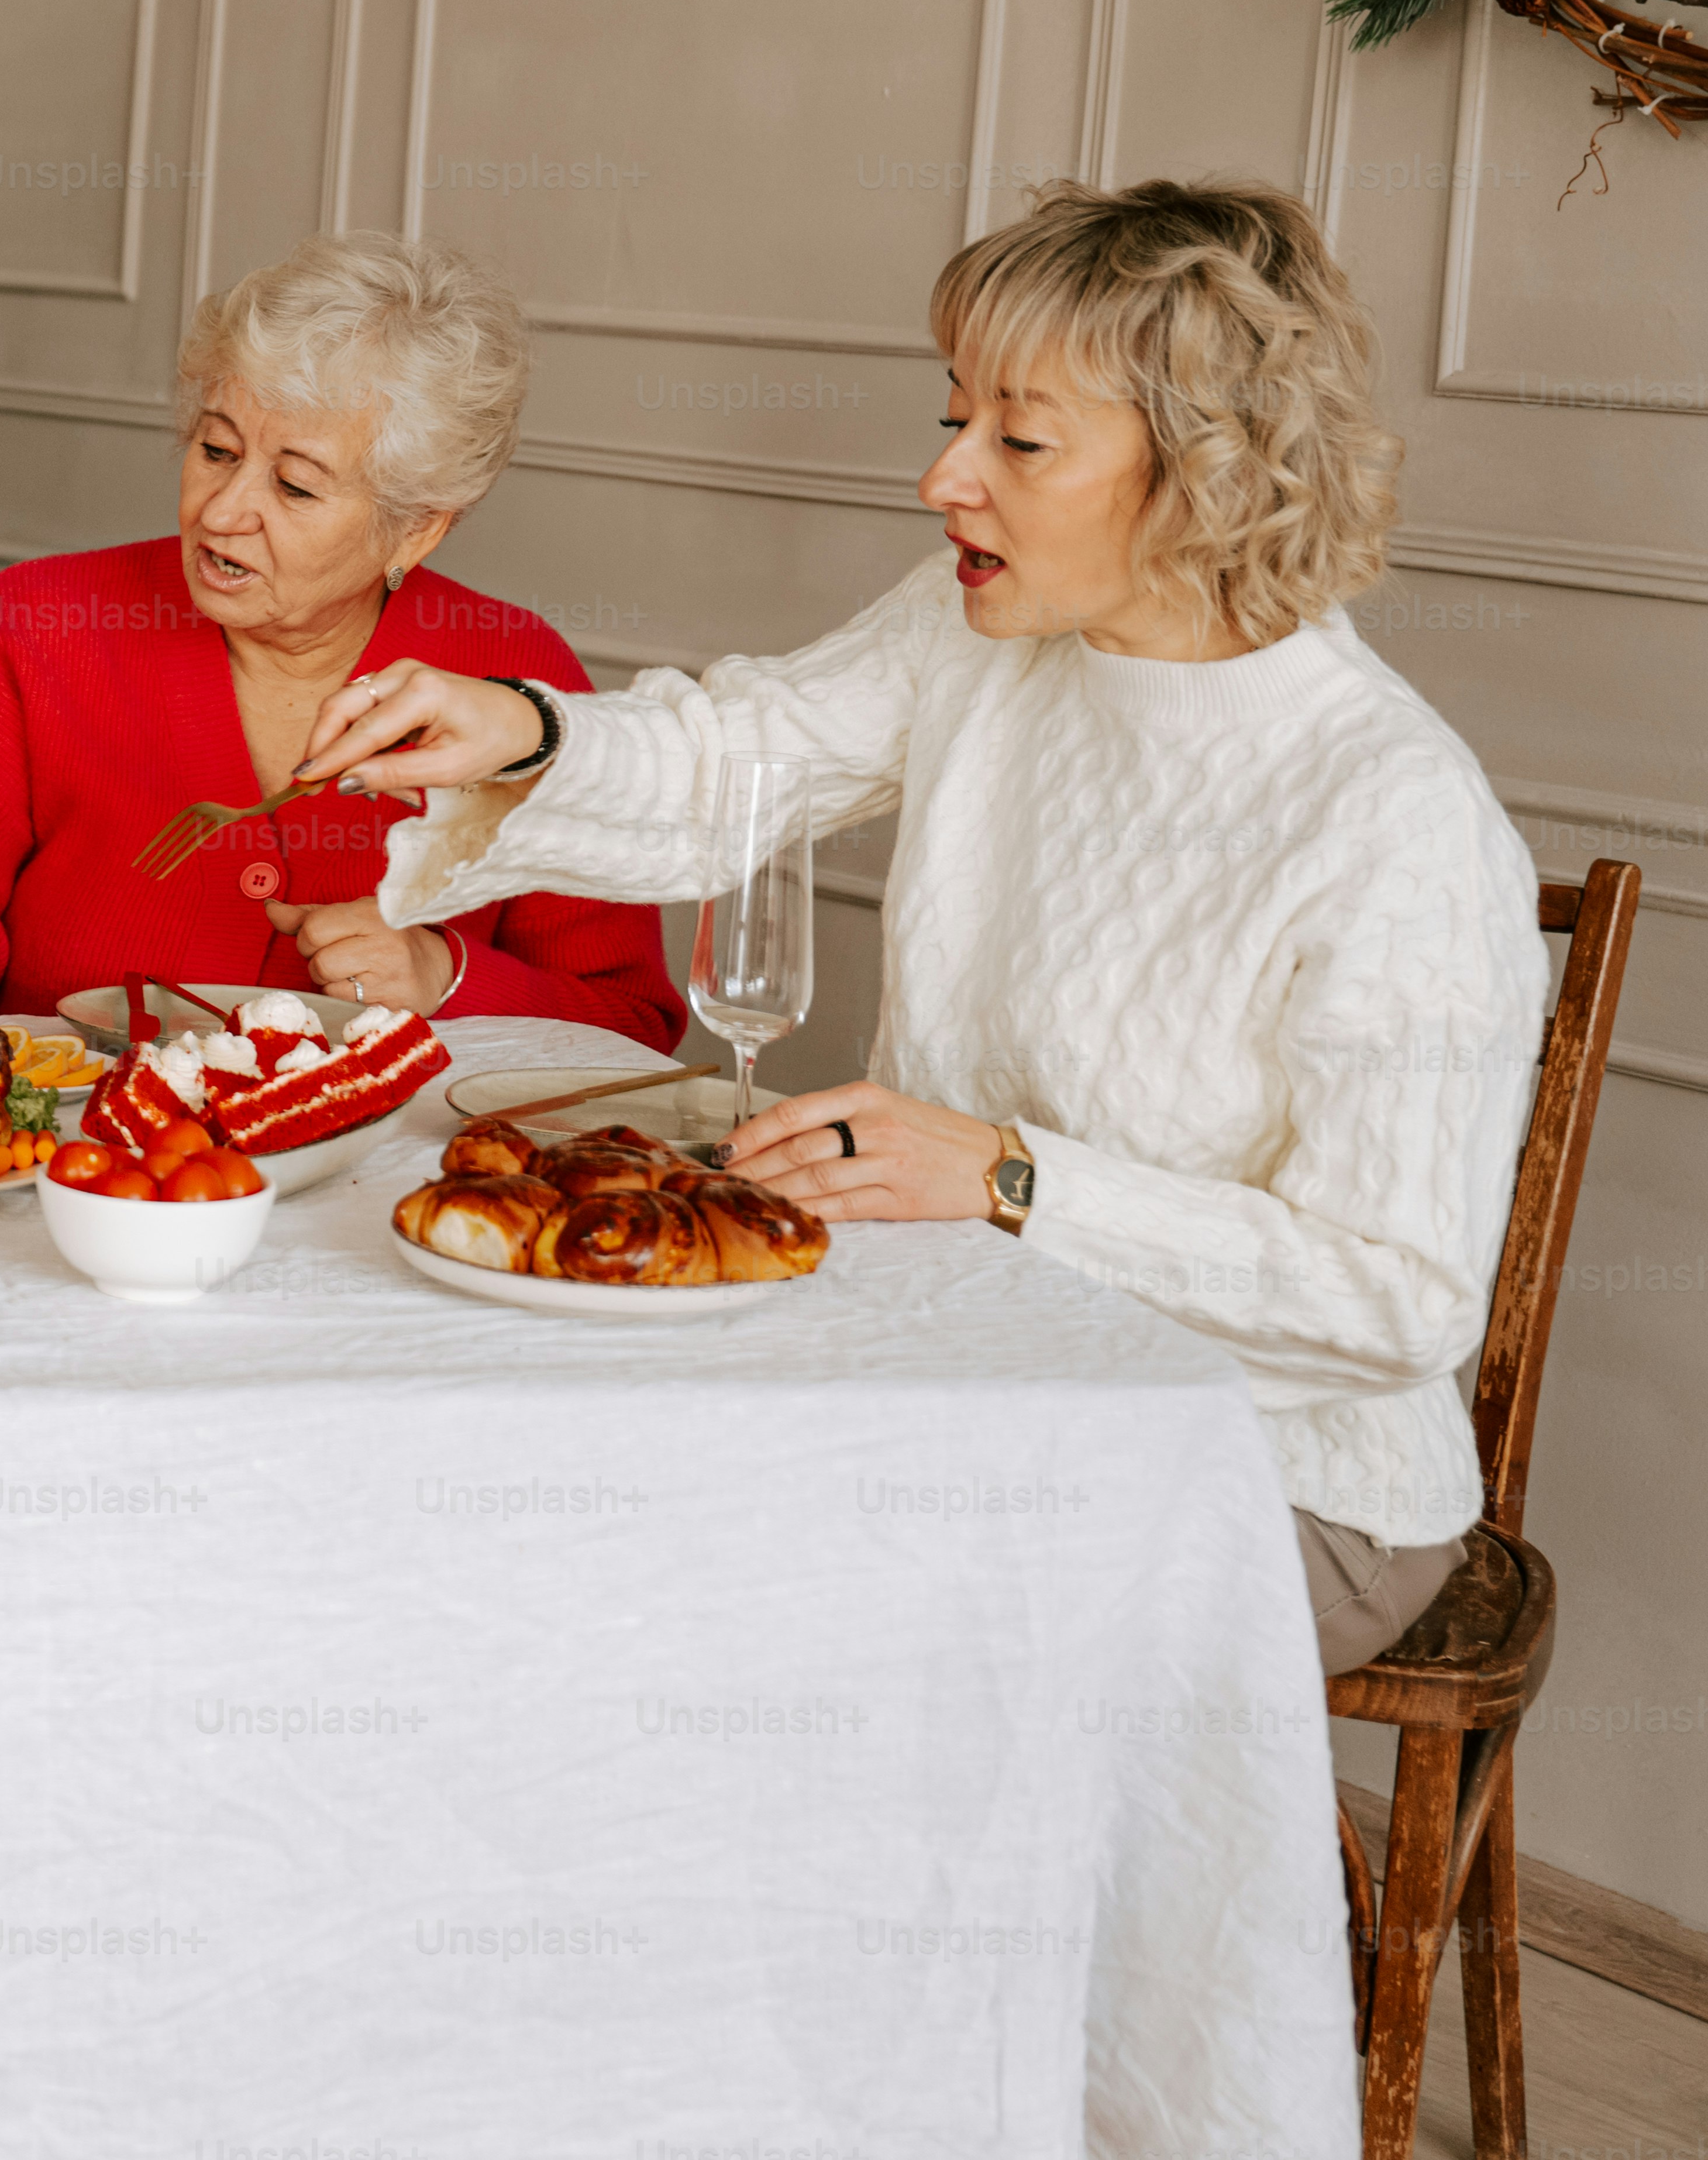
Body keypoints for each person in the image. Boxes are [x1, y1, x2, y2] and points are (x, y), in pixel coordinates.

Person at [302, 179, 1540, 1676]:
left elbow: (1390, 1295)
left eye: (1017, 440)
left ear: (1208, 472)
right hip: (965, 1350)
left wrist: (1010, 1180)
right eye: (954, 419)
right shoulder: (981, 631)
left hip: (1272, 1474)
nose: (945, 480)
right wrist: (513, 729)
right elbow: (740, 755)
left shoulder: (1391, 811)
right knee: (549, 1466)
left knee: (751, 1594)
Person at [0, 232, 680, 1044]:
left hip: (376, 1194)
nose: (221, 512)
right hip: (65, 1168)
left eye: (295, 487)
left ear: (416, 529)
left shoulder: (515, 685)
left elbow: (628, 1025)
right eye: (217, 451)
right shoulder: (34, 626)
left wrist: (444, 979)